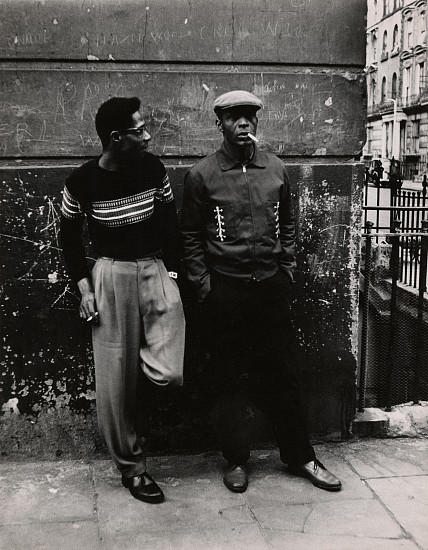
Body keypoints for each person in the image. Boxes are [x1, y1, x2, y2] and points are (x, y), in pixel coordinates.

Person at [180, 90, 341, 493]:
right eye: (234, 117)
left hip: (270, 288)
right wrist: (205, 287)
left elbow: (289, 222)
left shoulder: (276, 169)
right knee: (229, 377)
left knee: (282, 374)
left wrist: (285, 270)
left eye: (250, 116)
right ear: (220, 123)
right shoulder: (202, 174)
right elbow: (190, 237)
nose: (244, 124)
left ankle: (301, 456)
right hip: (225, 292)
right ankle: (236, 460)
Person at [60, 97, 185, 504]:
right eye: (138, 130)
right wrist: (85, 290)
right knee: (114, 386)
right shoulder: (81, 182)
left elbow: (171, 224)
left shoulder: (153, 169)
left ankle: (138, 390)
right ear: (116, 138)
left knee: (169, 372)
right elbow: (69, 240)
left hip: (154, 270)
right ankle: (133, 469)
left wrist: (173, 275)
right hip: (110, 276)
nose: (147, 136)